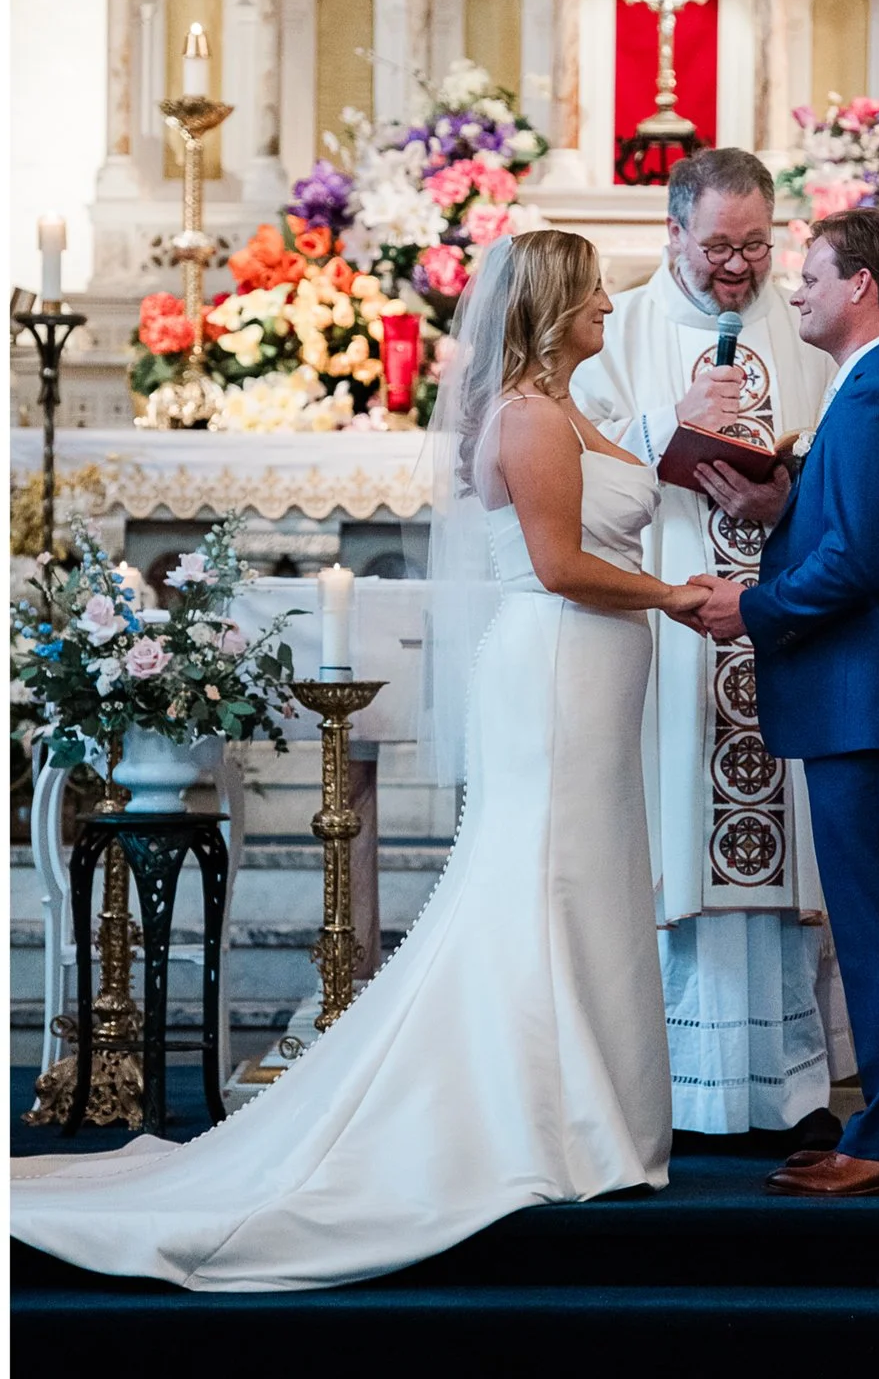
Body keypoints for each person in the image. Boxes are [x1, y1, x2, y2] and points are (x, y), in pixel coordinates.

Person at [12, 230, 708, 1289]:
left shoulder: (569, 410)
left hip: (595, 673)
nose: (610, 307)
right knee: (544, 876)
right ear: (554, 304)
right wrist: (674, 598)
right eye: (595, 293)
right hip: (560, 666)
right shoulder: (527, 414)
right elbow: (562, 563)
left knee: (586, 874)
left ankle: (588, 1108)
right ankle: (550, 1118)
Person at [685, 209, 879, 1199]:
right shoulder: (873, 386)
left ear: (860, 286)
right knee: (878, 914)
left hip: (869, 692)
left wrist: (746, 605)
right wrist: (781, 505)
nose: (792, 289)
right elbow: (848, 522)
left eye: (808, 275)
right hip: (862, 691)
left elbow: (853, 560)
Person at [572, 149, 845, 1140]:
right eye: (720, 244)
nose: (738, 266)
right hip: (666, 627)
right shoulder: (620, 329)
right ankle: (681, 1085)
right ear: (674, 233)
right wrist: (662, 430)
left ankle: (788, 1086)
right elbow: (567, 457)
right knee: (675, 844)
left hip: (781, 626)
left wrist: (784, 494)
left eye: (755, 244)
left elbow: (841, 465)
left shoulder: (808, 326)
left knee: (781, 857)